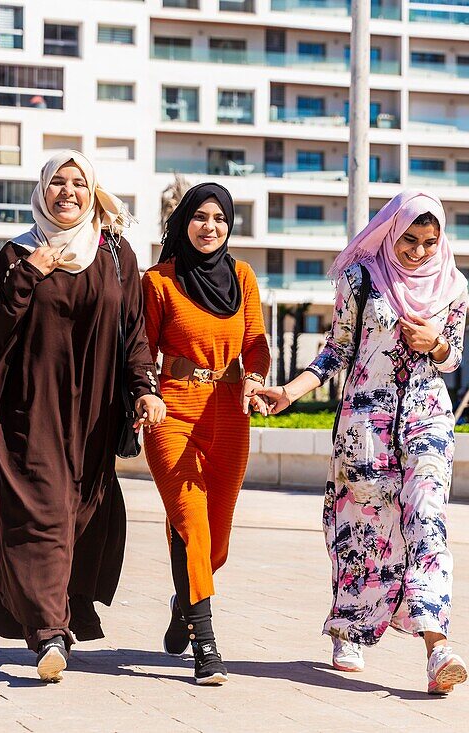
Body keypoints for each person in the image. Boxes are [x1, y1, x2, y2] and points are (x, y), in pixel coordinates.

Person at [0, 150, 166, 682]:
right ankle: (49, 635)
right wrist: (28, 275)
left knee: (78, 515)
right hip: (31, 408)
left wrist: (145, 389)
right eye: (57, 183)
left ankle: (58, 615)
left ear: (93, 192)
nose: (67, 192)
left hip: (94, 412)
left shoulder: (116, 254)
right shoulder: (19, 253)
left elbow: (133, 334)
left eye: (78, 183)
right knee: (41, 512)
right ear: (42, 191)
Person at [254, 190, 469, 695]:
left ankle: (438, 648)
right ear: (392, 231)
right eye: (409, 240)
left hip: (427, 417)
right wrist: (288, 392)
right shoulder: (362, 278)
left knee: (427, 518)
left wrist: (434, 344)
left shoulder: (452, 285)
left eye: (429, 242)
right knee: (363, 528)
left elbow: (453, 354)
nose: (418, 252)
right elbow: (337, 351)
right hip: (365, 424)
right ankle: (351, 624)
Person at [141, 182, 271, 685]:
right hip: (172, 412)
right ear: (183, 222)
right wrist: (145, 393)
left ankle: (184, 604)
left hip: (229, 413)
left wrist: (256, 379)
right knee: (190, 521)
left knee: (215, 540)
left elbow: (256, 343)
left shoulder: (242, 276)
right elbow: (140, 350)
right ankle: (206, 643)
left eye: (219, 217)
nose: (209, 226)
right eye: (199, 217)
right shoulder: (159, 281)